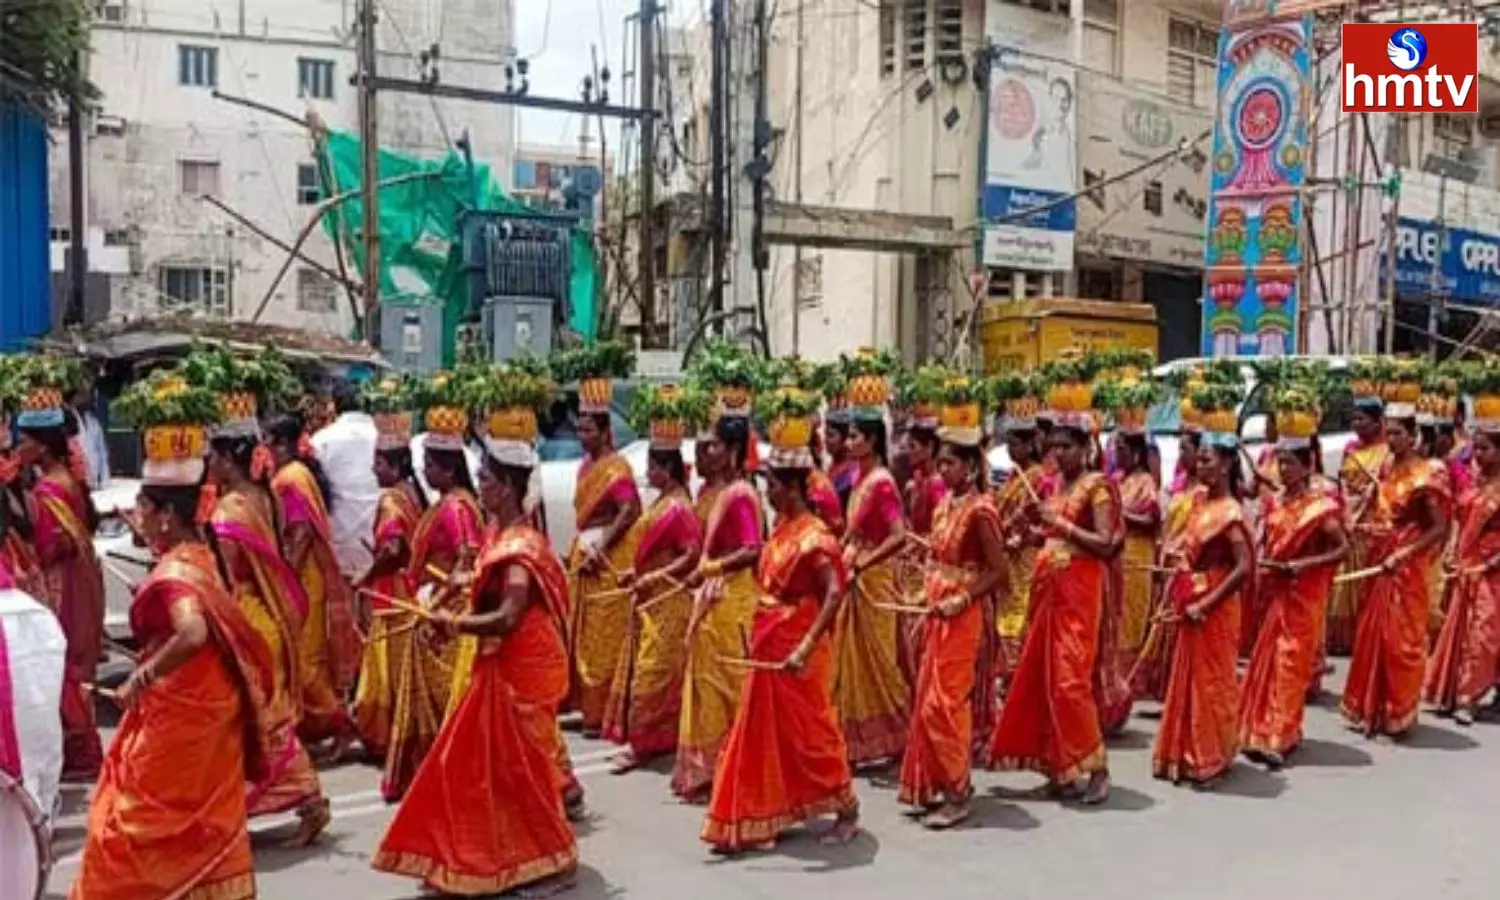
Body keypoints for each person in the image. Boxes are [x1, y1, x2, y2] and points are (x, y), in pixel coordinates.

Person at [372, 402, 577, 897]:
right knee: (477, 768)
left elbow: (507, 617)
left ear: (505, 484)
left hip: (522, 668)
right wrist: (450, 600)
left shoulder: (521, 547)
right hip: (498, 666)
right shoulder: (498, 534)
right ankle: (481, 856)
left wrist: (453, 621)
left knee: (521, 773)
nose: (478, 482)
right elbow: (477, 579)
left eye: (485, 475)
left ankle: (552, 858)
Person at [71, 405, 275, 900]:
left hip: (182, 719)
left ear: (166, 516)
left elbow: (193, 633)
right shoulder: (198, 557)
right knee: (198, 824)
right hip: (205, 712)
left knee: (125, 828)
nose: (136, 517)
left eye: (142, 509)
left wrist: (141, 678)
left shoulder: (178, 574)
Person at [701, 396, 859, 853]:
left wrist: (806, 646)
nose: (764, 489)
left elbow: (834, 592)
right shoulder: (782, 527)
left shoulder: (814, 536)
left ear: (790, 486)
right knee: (761, 733)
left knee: (811, 734)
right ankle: (756, 814)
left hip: (798, 647)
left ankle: (846, 805)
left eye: (770, 481)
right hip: (769, 642)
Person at [205, 426, 330, 845]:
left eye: (213, 456)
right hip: (267, 619)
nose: (208, 464)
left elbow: (224, 575)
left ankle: (303, 796)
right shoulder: (266, 497)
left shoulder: (226, 513)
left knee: (251, 724)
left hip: (247, 622)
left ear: (227, 460)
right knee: (266, 721)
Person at [984, 407, 1115, 806]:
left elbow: (1105, 543)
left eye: (1066, 447)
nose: (1058, 454)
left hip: (1079, 591)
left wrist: (1059, 526)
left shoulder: (1097, 487)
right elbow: (1050, 538)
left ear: (1084, 447)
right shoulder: (1056, 487)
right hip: (1047, 591)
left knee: (1070, 681)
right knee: (1042, 678)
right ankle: (1059, 767)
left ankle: (1097, 767)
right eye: (1054, 446)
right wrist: (1028, 533)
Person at [897, 390, 1003, 829]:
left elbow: (998, 572)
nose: (942, 471)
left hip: (962, 615)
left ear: (970, 465)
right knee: (926, 701)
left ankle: (959, 791)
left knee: (945, 704)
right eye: (940, 463)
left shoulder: (981, 510)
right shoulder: (946, 503)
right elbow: (941, 556)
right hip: (936, 610)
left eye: (950, 463)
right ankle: (940, 783)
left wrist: (962, 597)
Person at [383, 403, 483, 802]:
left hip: (448, 615)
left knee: (447, 702)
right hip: (435, 607)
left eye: (429, 464)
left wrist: (436, 603)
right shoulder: (447, 502)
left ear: (447, 468)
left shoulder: (457, 507)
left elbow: (466, 557)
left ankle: (449, 774)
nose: (423, 471)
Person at [1240, 409, 1348, 767]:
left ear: (1307, 465)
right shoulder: (1276, 501)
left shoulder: (1321, 507)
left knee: (1289, 664)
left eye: (1289, 463)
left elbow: (1341, 548)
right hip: (1276, 594)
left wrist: (1302, 565)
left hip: (1304, 596)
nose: (1283, 470)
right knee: (1268, 661)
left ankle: (1280, 737)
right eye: (1280, 462)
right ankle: (1261, 728)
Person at [603, 389, 703, 773]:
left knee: (652, 673)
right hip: (648, 598)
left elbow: (691, 555)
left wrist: (655, 577)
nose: (649, 474)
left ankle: (642, 745)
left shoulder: (678, 507)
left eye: (655, 467)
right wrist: (636, 574)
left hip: (669, 601)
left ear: (669, 468)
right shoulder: (662, 501)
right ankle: (649, 741)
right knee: (646, 671)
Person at [1153, 429, 1254, 787]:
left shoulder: (1230, 513)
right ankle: (1185, 751)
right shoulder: (1199, 500)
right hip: (1193, 596)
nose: (1200, 463)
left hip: (1216, 605)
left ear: (1226, 464)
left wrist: (1208, 604)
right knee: (1189, 676)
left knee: (1213, 681)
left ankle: (1212, 755)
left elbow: (1243, 567)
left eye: (1208, 458)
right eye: (1201, 458)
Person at [1342, 404, 1450, 738]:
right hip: (1381, 558)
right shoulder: (1387, 465)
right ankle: (1370, 708)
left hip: (1407, 566)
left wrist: (1405, 553)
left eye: (1398, 433)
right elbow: (1381, 507)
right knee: (1371, 633)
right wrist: (1361, 523)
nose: (1391, 440)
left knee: (1399, 640)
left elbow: (1437, 527)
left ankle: (1398, 711)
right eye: (1388, 433)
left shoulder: (1425, 476)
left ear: (1413, 435)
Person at [17, 378, 105, 783]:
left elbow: (50, 546)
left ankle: (80, 754)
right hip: (79, 582)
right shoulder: (61, 481)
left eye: (25, 440)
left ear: (43, 446)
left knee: (65, 667)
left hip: (63, 586)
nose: (20, 448)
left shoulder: (51, 488)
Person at [674, 412, 763, 801]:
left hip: (732, 600)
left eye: (712, 445)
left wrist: (710, 568)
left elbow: (751, 549)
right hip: (714, 596)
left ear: (730, 452)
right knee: (706, 684)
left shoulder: (742, 494)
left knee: (727, 685)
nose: (704, 451)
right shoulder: (717, 491)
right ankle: (707, 769)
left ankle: (733, 766)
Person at [267, 413, 361, 758]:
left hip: (304, 579)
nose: (267, 449)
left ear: (286, 444)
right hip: (307, 578)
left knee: (305, 663)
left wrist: (284, 575)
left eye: (272, 442)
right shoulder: (298, 474)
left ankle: (343, 726)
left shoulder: (290, 477)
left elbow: (301, 532)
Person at [837, 411, 912, 766]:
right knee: (850, 662)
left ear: (872, 441)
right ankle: (855, 740)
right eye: (848, 437)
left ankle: (900, 733)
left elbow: (899, 536)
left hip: (875, 579)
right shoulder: (857, 477)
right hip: (853, 574)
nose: (849, 443)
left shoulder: (882, 482)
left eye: (855, 437)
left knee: (880, 659)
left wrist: (864, 563)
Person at [352, 408, 427, 761]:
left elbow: (395, 548)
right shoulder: (411, 493)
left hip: (391, 589)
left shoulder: (392, 499)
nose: (373, 470)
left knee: (387, 664)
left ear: (395, 467)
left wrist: (367, 573)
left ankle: (385, 736)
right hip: (405, 587)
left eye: (379, 464)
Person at [569, 401, 643, 737]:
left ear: (604, 431)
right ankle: (587, 707)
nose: (581, 435)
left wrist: (603, 546)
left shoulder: (617, 468)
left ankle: (606, 712)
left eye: (588, 429)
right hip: (583, 551)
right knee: (582, 633)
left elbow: (628, 511)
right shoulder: (585, 466)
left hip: (606, 557)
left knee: (603, 638)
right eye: (579, 429)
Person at [1426, 424, 1500, 725]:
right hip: (1466, 563)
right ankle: (1454, 692)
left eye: (1485, 449)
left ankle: (1470, 697)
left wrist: (1493, 561)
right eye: (1476, 448)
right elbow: (1460, 519)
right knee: (1460, 629)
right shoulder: (1473, 481)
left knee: (1484, 634)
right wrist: (1451, 552)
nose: (1478, 455)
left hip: (1492, 568)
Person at [1136, 424, 1204, 702]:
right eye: (1179, 450)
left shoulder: (1203, 491)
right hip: (1168, 560)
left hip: (1186, 565)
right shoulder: (1180, 485)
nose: (1180, 455)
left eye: (1185, 450)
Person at [992, 399, 1051, 676]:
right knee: (1004, 611)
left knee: (1020, 610)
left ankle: (1018, 670)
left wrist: (1023, 537)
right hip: (1007, 553)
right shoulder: (1011, 476)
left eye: (1016, 444)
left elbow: (1042, 519)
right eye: (1009, 444)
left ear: (1030, 445)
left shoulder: (1039, 477)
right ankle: (1007, 671)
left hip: (1026, 555)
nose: (1011, 450)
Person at [1329, 394, 1391, 655]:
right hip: (1348, 515)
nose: (1356, 424)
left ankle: (1363, 635)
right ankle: (1340, 638)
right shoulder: (1350, 449)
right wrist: (1345, 510)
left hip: (1368, 521)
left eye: (1362, 419)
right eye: (1354, 419)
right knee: (1343, 579)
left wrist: (1359, 514)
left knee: (1365, 578)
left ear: (1378, 423)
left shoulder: (1386, 451)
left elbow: (1380, 488)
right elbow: (1341, 480)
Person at [310, 379, 381, 577]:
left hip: (338, 540)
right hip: (378, 540)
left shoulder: (322, 440)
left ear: (333, 405)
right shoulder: (381, 436)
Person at [1114, 431, 1159, 684]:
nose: (1116, 454)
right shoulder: (1118, 479)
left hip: (1137, 558)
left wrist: (1121, 515)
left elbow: (1151, 521)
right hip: (1118, 556)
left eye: (1121, 448)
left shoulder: (1145, 482)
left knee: (1130, 619)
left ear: (1135, 452)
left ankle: (1128, 680)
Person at [70, 381, 110, 490]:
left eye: (88, 395)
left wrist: (104, 479)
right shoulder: (69, 420)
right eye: (83, 395)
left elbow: (101, 452)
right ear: (74, 398)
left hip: (95, 477)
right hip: (77, 478)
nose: (88, 399)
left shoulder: (93, 421)